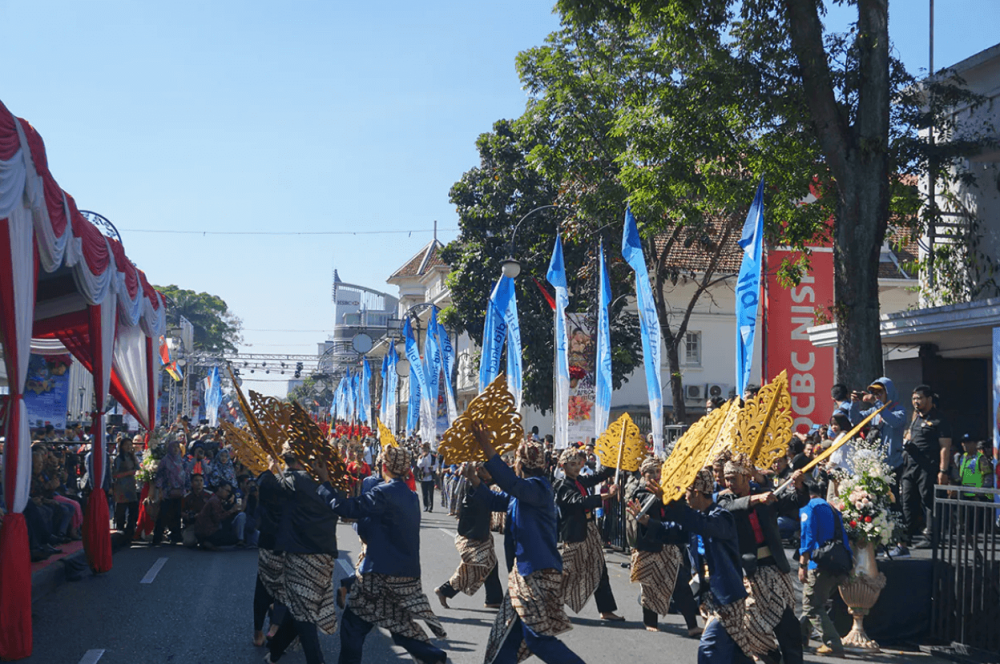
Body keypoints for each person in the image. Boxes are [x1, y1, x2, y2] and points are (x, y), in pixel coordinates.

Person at [470, 425, 584, 664]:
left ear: (519, 465)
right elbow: (493, 499)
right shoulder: (523, 492)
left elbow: (511, 485)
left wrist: (488, 449)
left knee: (536, 638)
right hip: (522, 575)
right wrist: (473, 478)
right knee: (504, 639)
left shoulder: (538, 489)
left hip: (537, 573)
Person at [328, 446, 447, 664]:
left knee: (353, 626)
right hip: (406, 576)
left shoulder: (384, 492)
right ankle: (435, 658)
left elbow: (347, 509)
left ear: (384, 467)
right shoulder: (412, 496)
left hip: (379, 576)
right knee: (400, 628)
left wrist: (326, 488)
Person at [629, 468, 753, 664]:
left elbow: (698, 523)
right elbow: (672, 531)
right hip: (708, 598)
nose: (684, 496)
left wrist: (668, 501)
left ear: (696, 492)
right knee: (734, 652)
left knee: (709, 649)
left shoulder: (721, 517)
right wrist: (647, 522)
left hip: (727, 598)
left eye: (686, 492)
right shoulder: (697, 518)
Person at [717, 452, 806, 664]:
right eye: (727, 478)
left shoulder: (766, 493)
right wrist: (755, 499)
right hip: (749, 572)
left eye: (734, 479)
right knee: (751, 625)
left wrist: (799, 485)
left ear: (747, 478)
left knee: (787, 623)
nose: (729, 483)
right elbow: (727, 508)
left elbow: (794, 501)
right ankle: (769, 657)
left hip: (774, 568)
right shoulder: (725, 497)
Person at [260, 443, 341, 664]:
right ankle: (275, 651)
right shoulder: (327, 480)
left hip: (301, 555)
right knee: (300, 608)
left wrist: (270, 468)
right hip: (325, 555)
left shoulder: (293, 481)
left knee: (304, 614)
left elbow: (265, 488)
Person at [553, 447, 623, 621]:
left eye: (578, 464)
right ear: (563, 466)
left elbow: (600, 475)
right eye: (572, 464)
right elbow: (579, 502)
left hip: (590, 530)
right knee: (568, 571)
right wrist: (606, 496)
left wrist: (614, 457)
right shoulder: (562, 486)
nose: (576, 467)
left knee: (600, 568)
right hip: (575, 533)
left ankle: (606, 610)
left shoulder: (581, 481)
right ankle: (549, 604)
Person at [628, 456, 689, 633]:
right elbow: (642, 514)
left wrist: (666, 496)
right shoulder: (640, 492)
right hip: (648, 546)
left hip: (668, 543)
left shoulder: (666, 491)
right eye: (651, 472)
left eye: (658, 471)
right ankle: (650, 622)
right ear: (642, 473)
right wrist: (658, 497)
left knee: (679, 583)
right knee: (649, 586)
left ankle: (692, 625)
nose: (655, 475)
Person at [892, 385, 952, 556]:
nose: (916, 402)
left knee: (929, 501)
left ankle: (932, 536)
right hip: (910, 466)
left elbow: (945, 447)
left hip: (929, 467)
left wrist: (943, 471)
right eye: (914, 399)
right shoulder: (915, 418)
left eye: (919, 398)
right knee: (907, 501)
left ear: (929, 399)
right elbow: (910, 435)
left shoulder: (940, 420)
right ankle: (905, 538)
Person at [435, 462, 503, 610]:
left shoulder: (481, 484)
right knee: (473, 566)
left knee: (491, 564)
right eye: (485, 470)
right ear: (478, 470)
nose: (489, 473)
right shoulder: (471, 485)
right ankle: (445, 590)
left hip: (482, 533)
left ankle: (494, 598)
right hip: (473, 535)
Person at [798, 479, 851, 656]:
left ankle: (833, 644)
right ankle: (799, 637)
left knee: (811, 606)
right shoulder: (832, 508)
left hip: (819, 564)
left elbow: (808, 537)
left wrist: (802, 564)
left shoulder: (810, 507)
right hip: (837, 563)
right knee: (816, 602)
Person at [849, 377, 908, 483]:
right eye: (874, 393)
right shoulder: (874, 410)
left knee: (892, 497)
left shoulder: (900, 410)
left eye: (880, 392)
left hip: (893, 464)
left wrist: (877, 404)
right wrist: (854, 404)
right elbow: (856, 420)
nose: (877, 396)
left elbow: (893, 421)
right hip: (875, 464)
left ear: (888, 392)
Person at [153, 440, 187, 546]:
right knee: (163, 514)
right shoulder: (165, 460)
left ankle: (175, 536)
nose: (176, 449)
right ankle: (157, 537)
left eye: (177, 447)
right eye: (173, 447)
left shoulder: (181, 461)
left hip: (179, 491)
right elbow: (159, 476)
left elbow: (186, 476)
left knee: (176, 514)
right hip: (167, 491)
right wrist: (159, 491)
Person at [194, 481, 245, 549]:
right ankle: (206, 542)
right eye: (227, 491)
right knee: (233, 539)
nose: (227, 494)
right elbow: (218, 518)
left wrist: (233, 511)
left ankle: (207, 542)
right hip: (207, 532)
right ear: (220, 488)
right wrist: (231, 510)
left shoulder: (217, 499)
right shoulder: (215, 501)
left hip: (205, 530)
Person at [112, 437, 140, 541]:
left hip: (131, 486)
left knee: (133, 510)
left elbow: (138, 468)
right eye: (126, 445)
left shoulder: (131, 457)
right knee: (121, 511)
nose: (129, 447)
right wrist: (127, 473)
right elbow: (114, 474)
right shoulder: (119, 459)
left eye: (130, 444)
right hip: (121, 487)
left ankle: (130, 531)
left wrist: (134, 456)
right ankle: (120, 531)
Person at [417, 443, 437, 512]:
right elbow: (419, 465)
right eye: (423, 449)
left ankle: (430, 507)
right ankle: (425, 506)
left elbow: (436, 465)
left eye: (425, 449)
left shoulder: (433, 457)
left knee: (430, 493)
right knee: (424, 493)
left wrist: (432, 468)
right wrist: (423, 457)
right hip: (423, 477)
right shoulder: (420, 457)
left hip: (431, 477)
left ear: (428, 449)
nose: (424, 450)